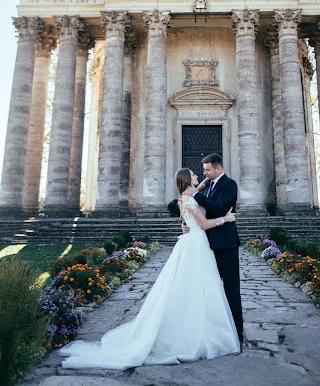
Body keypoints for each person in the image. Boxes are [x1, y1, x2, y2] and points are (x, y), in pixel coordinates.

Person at [57, 167, 240, 370]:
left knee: (194, 287)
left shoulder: (189, 196)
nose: (198, 175)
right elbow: (204, 224)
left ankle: (202, 328)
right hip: (196, 245)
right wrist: (227, 219)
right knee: (196, 286)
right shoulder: (189, 199)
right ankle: (199, 333)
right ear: (188, 180)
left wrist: (185, 223)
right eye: (194, 175)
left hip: (196, 244)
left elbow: (189, 216)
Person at [183, 153, 244, 345]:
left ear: (218, 168)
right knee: (211, 290)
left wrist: (196, 195)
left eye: (208, 169)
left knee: (231, 289)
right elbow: (200, 213)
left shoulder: (229, 185)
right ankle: (215, 333)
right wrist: (186, 224)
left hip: (226, 245)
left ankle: (237, 334)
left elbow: (218, 207)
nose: (204, 173)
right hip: (207, 245)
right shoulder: (207, 185)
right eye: (203, 170)